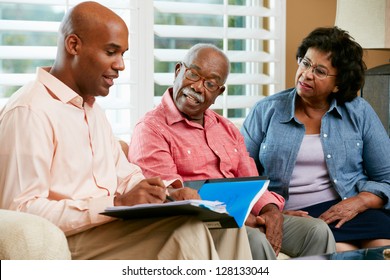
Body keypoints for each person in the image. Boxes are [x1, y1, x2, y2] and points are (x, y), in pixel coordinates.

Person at [0, 2, 252, 260]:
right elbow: (21, 212)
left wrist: (169, 194)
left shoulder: (91, 110)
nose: (121, 65)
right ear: (74, 45)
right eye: (111, 52)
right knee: (186, 234)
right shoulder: (29, 111)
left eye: (122, 54)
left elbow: (126, 175)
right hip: (66, 240)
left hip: (107, 226)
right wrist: (117, 204)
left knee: (227, 227)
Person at [128, 43, 336, 259]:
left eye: (210, 83)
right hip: (195, 224)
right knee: (254, 240)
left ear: (219, 92)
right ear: (178, 70)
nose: (198, 87)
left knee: (316, 231)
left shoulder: (225, 128)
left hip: (242, 216)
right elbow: (171, 199)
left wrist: (271, 212)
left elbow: (252, 182)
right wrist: (239, 217)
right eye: (193, 75)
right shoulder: (151, 129)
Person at [240, 26, 390, 252]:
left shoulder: (358, 112)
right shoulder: (266, 111)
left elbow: (386, 177)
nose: (307, 74)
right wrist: (270, 210)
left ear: (338, 83)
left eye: (320, 71)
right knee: (342, 250)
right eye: (305, 63)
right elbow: (240, 175)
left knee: (383, 247)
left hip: (350, 208)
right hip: (299, 216)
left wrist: (359, 202)